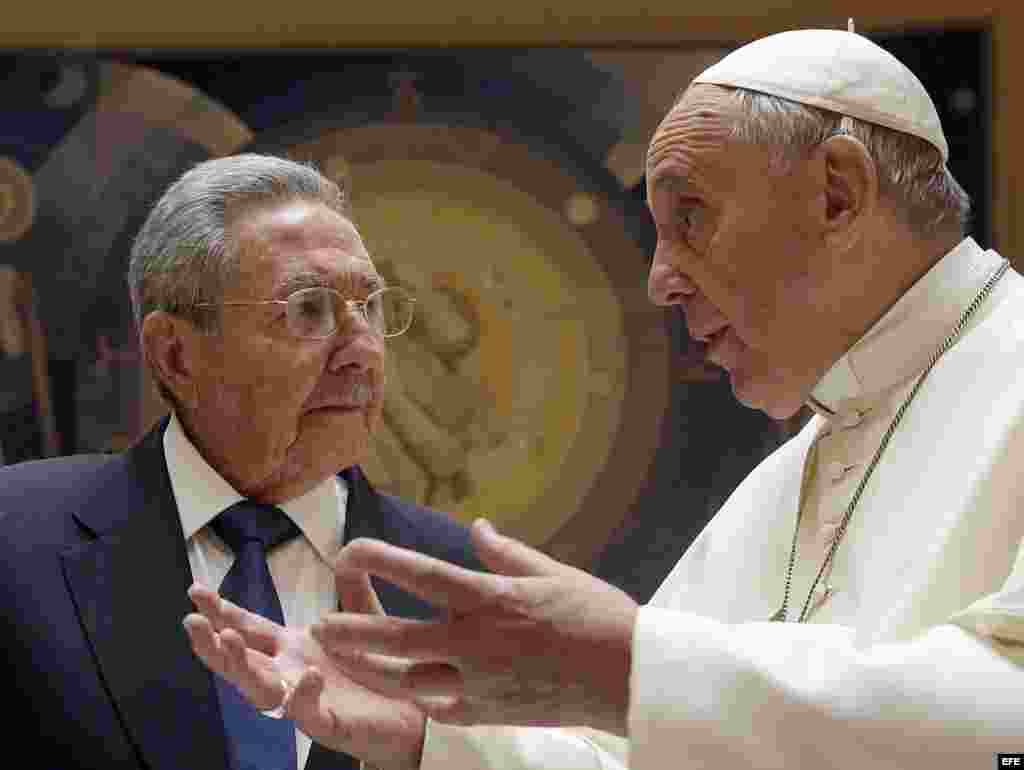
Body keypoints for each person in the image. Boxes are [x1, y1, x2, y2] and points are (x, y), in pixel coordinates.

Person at [187, 28, 1024, 769]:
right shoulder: (791, 473)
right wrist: (434, 741)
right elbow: (639, 754)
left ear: (837, 192)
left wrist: (633, 667)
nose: (660, 280)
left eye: (689, 216)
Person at [0, 153, 483, 770]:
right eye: (310, 310)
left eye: (370, 306)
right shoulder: (16, 541)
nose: (362, 349)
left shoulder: (466, 586)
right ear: (175, 354)